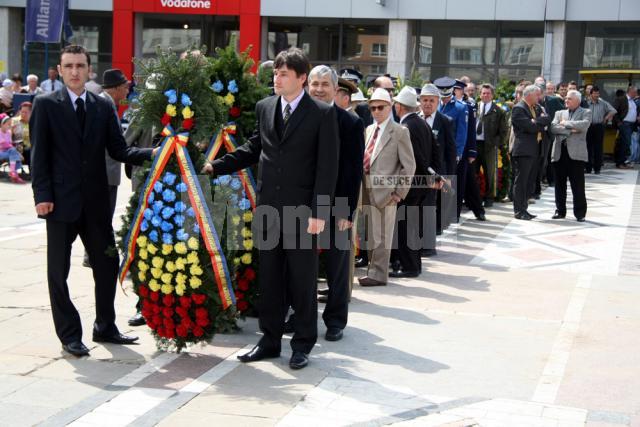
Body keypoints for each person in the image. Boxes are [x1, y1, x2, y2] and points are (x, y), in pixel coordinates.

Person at [203, 48, 339, 370]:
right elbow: (253, 148)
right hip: (268, 210)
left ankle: (303, 343)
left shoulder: (321, 114)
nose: (276, 78)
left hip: (303, 213)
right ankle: (269, 340)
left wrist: (320, 212)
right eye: (275, 72)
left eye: (284, 74)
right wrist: (214, 166)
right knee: (271, 280)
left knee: (302, 281)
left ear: (301, 78)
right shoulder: (265, 107)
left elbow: (327, 167)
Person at [30, 45, 157, 357]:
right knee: (58, 271)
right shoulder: (45, 104)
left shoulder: (102, 106)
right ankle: (70, 334)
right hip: (59, 202)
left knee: (106, 263)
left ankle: (105, 325)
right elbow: (39, 155)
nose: (75, 71)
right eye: (69, 66)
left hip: (97, 202)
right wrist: (42, 196)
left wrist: (155, 153)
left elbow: (119, 150)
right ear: (60, 70)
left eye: (80, 66)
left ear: (89, 71)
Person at [306, 66, 364, 342]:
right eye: (314, 84)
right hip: (303, 205)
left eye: (324, 85)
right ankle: (301, 314)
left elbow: (353, 171)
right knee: (301, 265)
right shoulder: (299, 117)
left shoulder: (350, 123)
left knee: (337, 267)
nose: (318, 89)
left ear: (335, 89)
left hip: (336, 206)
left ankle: (335, 320)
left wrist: (347, 211)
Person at [357, 88, 415, 287]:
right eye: (372, 108)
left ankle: (379, 274)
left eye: (380, 107)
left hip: (386, 191)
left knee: (382, 234)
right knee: (371, 234)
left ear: (390, 107)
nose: (376, 111)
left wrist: (399, 193)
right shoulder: (369, 130)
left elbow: (409, 165)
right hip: (365, 187)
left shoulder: (400, 131)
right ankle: (372, 270)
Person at [390, 86, 440, 277]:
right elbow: (436, 152)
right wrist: (432, 175)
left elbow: (414, 158)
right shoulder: (422, 123)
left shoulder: (407, 126)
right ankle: (413, 265)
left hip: (410, 185)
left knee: (406, 228)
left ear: (400, 106)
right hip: (421, 184)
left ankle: (410, 267)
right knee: (412, 226)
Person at [82, 68, 130, 268]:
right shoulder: (103, 105)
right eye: (125, 88)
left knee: (101, 216)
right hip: (104, 173)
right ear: (117, 88)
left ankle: (93, 254)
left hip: (107, 172)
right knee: (101, 216)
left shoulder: (106, 103)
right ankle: (93, 255)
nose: (127, 92)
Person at [419, 83, 456, 249]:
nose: (427, 103)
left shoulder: (445, 121)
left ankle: (428, 246)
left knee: (429, 208)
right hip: (415, 174)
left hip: (435, 174)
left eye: (431, 101)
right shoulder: (414, 119)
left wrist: (449, 178)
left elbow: (450, 151)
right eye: (425, 100)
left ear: (438, 102)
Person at [549, 90, 591, 222]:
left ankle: (580, 213)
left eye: (569, 99)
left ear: (577, 100)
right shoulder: (559, 113)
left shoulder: (586, 112)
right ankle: (560, 211)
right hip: (559, 153)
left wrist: (565, 124)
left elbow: (584, 126)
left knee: (578, 185)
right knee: (559, 185)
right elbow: (553, 128)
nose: (566, 100)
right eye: (566, 98)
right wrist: (572, 130)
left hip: (576, 155)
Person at [511, 85, 551, 220]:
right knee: (521, 181)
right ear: (529, 95)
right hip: (523, 150)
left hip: (536, 149)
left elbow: (547, 119)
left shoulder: (537, 107)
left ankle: (524, 209)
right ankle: (518, 210)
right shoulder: (519, 108)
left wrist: (536, 121)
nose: (539, 98)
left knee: (529, 181)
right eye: (537, 95)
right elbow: (529, 127)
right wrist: (536, 123)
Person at [434, 76, 468, 221]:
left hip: (450, 153)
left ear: (452, 91)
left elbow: (461, 133)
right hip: (436, 153)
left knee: (448, 184)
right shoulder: (437, 105)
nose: (445, 97)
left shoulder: (460, 107)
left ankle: (446, 216)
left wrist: (458, 153)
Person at [475, 83, 508, 207]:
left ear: (492, 95)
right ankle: (474, 197)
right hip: (474, 145)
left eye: (488, 93)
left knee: (490, 173)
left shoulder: (498, 111)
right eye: (483, 93)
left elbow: (504, 132)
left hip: (489, 146)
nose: (485, 95)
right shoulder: (474, 107)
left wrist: (495, 143)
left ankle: (489, 198)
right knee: (473, 172)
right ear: (480, 94)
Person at [585, 85, 616, 174]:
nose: (596, 95)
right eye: (595, 93)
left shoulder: (603, 103)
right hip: (588, 127)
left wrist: (606, 118)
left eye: (598, 93)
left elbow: (613, 110)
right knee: (588, 147)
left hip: (599, 126)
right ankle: (588, 168)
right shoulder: (586, 103)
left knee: (598, 148)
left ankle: (597, 168)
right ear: (591, 94)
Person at [0, 114, 25, 183]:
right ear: (2, 124)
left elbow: (10, 144)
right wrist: (18, 154)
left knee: (13, 153)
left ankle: (13, 174)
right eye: (8, 124)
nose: (10, 126)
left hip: (7, 152)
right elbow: (4, 144)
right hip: (1, 152)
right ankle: (14, 173)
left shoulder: (8, 133)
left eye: (10, 124)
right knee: (13, 152)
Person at [11, 101, 32, 172]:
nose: (23, 114)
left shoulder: (34, 122)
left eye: (26, 112)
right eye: (22, 111)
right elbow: (8, 136)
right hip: (17, 147)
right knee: (29, 151)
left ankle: (33, 173)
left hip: (30, 147)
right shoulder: (14, 121)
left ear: (31, 112)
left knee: (32, 150)